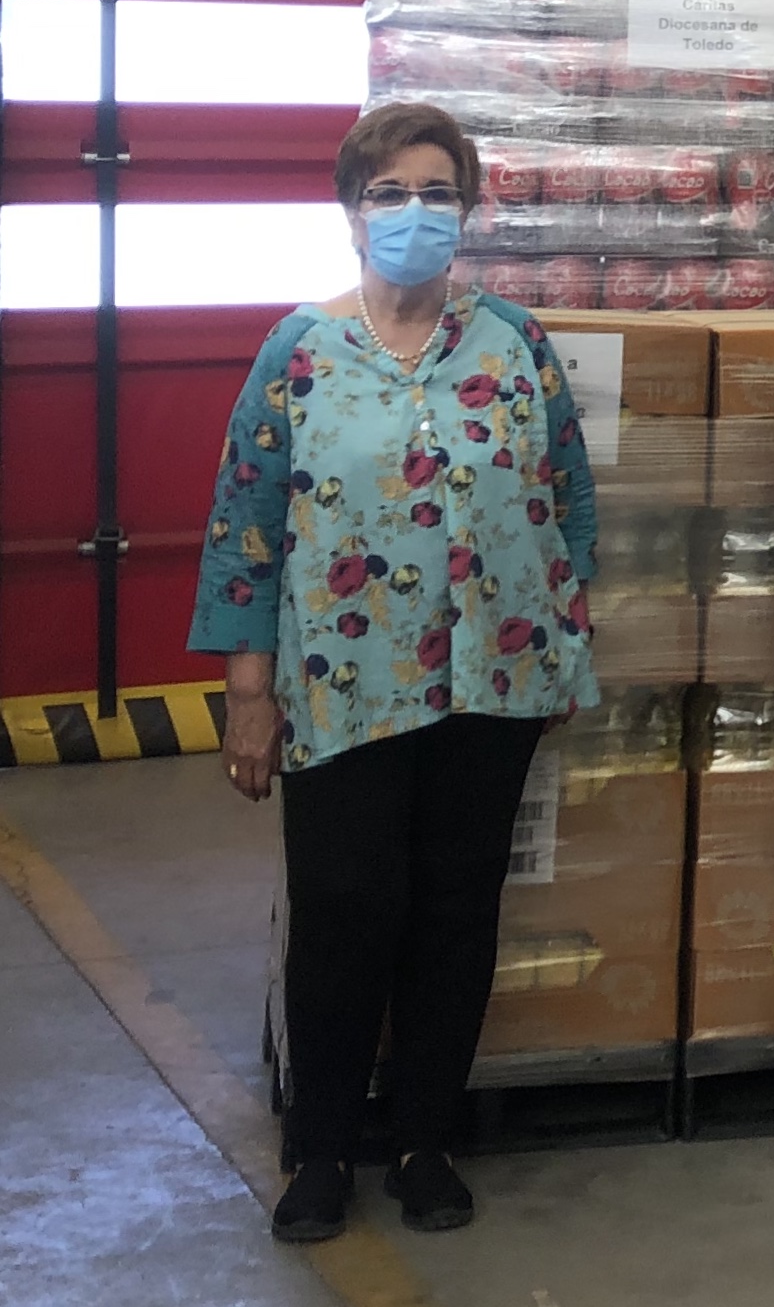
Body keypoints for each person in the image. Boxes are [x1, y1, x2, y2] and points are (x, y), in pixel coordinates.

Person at [188, 100, 599, 1245]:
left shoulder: (512, 341)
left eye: (435, 192)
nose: (414, 213)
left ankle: (425, 1140)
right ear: (350, 212)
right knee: (343, 910)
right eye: (389, 193)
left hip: (493, 684)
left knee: (456, 910)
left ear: (465, 210)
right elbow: (247, 525)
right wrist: (248, 695)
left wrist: (564, 639)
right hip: (343, 682)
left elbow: (568, 497)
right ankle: (322, 1148)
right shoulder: (301, 353)